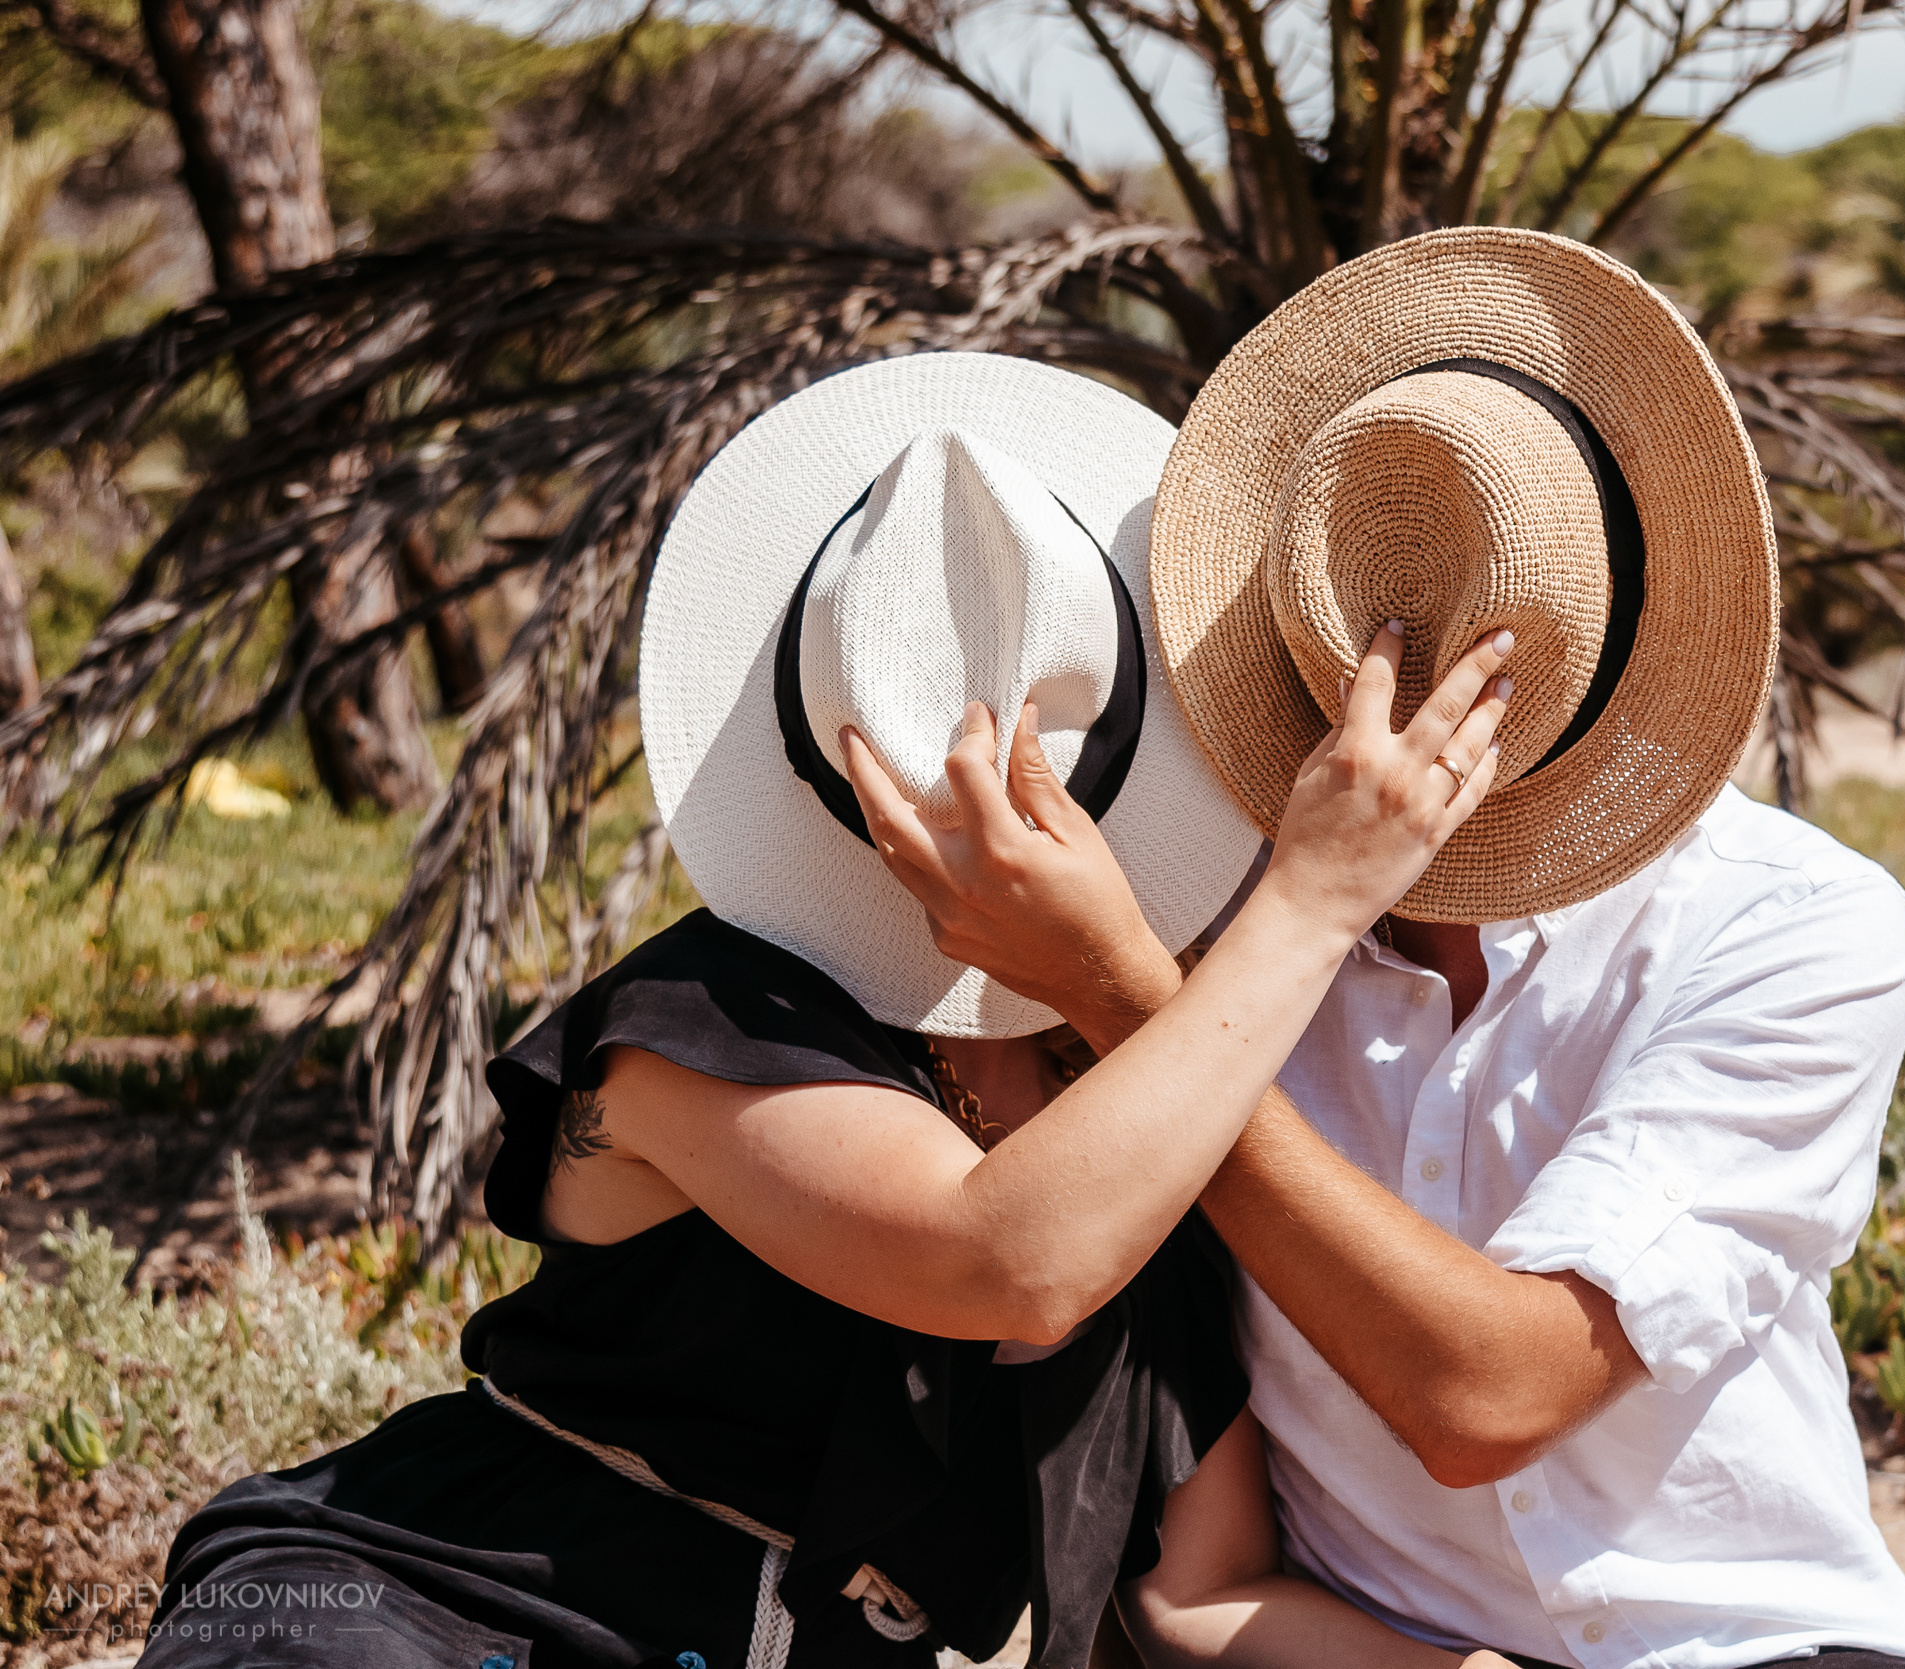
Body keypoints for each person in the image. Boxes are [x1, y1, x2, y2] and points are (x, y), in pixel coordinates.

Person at [137, 353, 1526, 1669]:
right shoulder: (711, 1011)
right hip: (422, 1603)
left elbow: (1202, 1588)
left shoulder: (1143, 1129)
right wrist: (1313, 899)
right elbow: (1004, 1260)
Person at [886, 230, 1905, 1669]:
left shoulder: (1787, 924)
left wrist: (1133, 1001)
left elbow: (1492, 1393)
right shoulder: (1203, 917)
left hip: (1746, 1640)